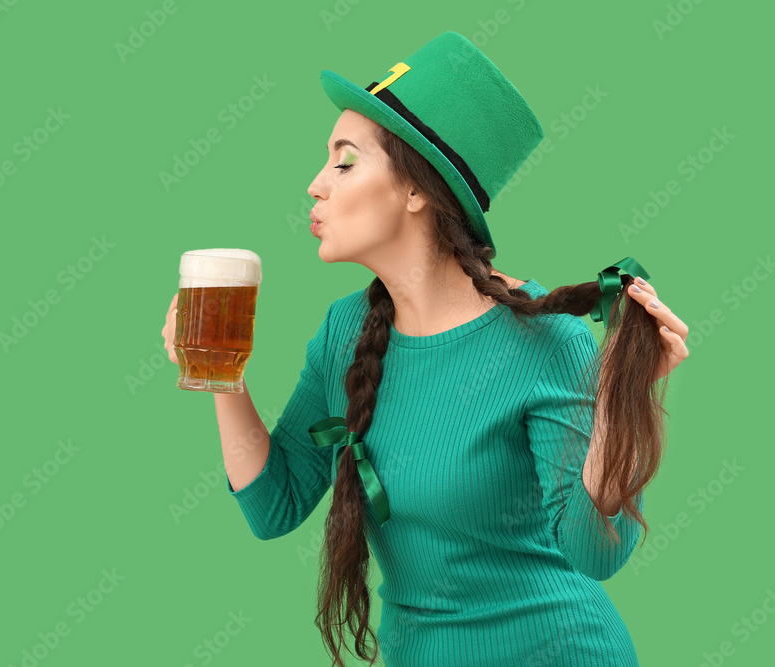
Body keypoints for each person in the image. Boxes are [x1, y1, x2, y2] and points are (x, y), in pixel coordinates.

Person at [162, 31, 689, 667]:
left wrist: (622, 396)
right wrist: (224, 378)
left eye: (344, 161)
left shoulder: (547, 339)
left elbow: (595, 553)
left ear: (416, 191)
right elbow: (275, 503)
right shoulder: (346, 331)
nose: (315, 184)